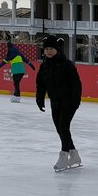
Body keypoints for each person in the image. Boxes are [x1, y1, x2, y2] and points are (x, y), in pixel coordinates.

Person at [35, 35, 83, 172]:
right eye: (46, 49)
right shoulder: (44, 66)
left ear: (57, 49)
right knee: (59, 129)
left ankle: (64, 155)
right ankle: (74, 154)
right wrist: (40, 99)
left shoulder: (67, 65)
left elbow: (76, 84)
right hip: (55, 101)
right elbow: (41, 84)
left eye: (51, 48)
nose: (49, 51)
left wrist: (76, 100)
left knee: (63, 126)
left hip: (69, 101)